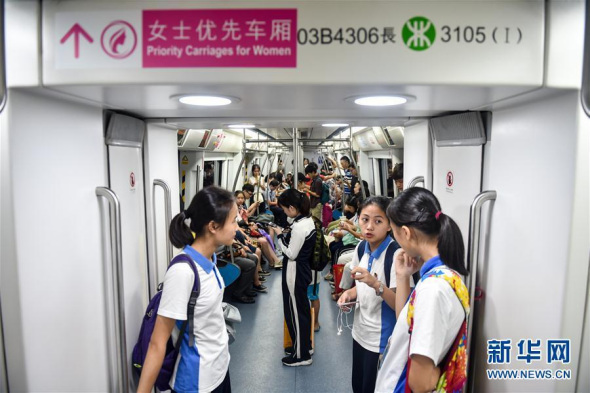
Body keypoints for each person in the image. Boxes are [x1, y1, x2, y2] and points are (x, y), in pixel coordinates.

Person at [137, 186, 235, 393]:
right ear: (213, 227)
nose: (238, 225)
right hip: (197, 382)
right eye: (234, 221)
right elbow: (157, 343)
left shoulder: (210, 258)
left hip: (219, 369)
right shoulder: (183, 271)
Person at [375, 187, 469, 393]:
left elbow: (421, 383)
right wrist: (403, 276)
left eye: (395, 232)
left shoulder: (432, 290)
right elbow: (406, 323)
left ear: (406, 233)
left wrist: (441, 370)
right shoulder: (445, 275)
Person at [337, 196, 401, 393]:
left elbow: (400, 304)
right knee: (358, 386)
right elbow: (360, 287)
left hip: (381, 340)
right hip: (360, 332)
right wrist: (349, 294)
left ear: (389, 225)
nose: (369, 227)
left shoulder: (396, 255)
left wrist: (375, 284)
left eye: (378, 221)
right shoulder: (361, 247)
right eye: (365, 219)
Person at [274, 189, 316, 367]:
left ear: (292, 208)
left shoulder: (299, 227)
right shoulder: (307, 221)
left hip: (295, 271)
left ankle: (302, 355)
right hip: (303, 270)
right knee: (302, 309)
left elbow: (291, 253)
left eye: (284, 209)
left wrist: (279, 237)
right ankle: (304, 345)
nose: (284, 212)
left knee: (296, 313)